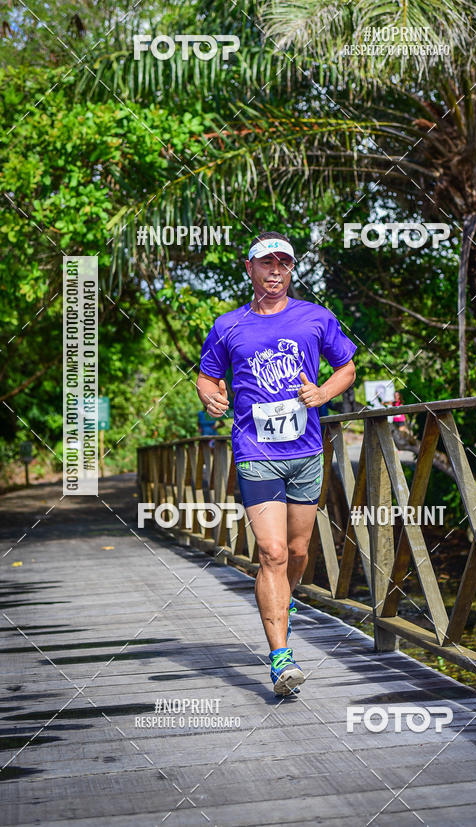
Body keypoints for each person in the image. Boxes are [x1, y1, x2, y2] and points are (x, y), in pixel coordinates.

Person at [196, 231, 356, 695]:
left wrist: (323, 393)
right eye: (266, 263)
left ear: (291, 270)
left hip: (306, 453)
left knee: (299, 552)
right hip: (256, 452)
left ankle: (285, 599)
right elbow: (206, 377)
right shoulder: (229, 325)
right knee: (272, 552)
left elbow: (347, 368)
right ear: (250, 269)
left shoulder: (315, 317)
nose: (275, 271)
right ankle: (281, 659)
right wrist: (210, 397)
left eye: (283, 263)